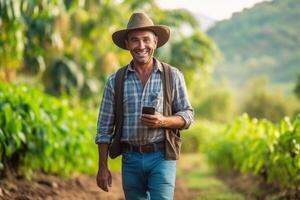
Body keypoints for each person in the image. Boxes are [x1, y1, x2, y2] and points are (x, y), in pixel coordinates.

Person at [95, 12, 194, 200]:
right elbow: (104, 128)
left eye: (146, 40)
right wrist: (102, 167)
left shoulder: (173, 75)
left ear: (155, 41)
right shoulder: (115, 80)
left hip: (161, 157)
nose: (141, 46)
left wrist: (163, 121)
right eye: (134, 40)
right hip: (130, 159)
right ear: (127, 44)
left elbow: (188, 116)